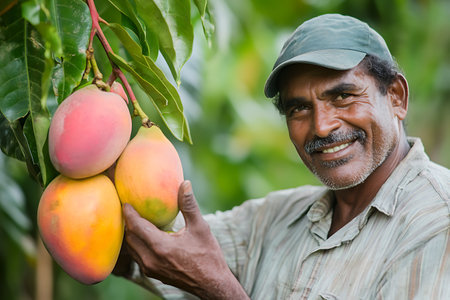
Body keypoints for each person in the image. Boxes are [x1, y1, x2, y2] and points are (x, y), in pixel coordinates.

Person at [113, 14, 450, 299]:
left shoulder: (437, 222)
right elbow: (153, 247)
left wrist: (218, 290)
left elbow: (207, 275)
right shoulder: (276, 220)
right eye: (299, 108)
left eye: (344, 96)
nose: (321, 126)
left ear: (396, 97)